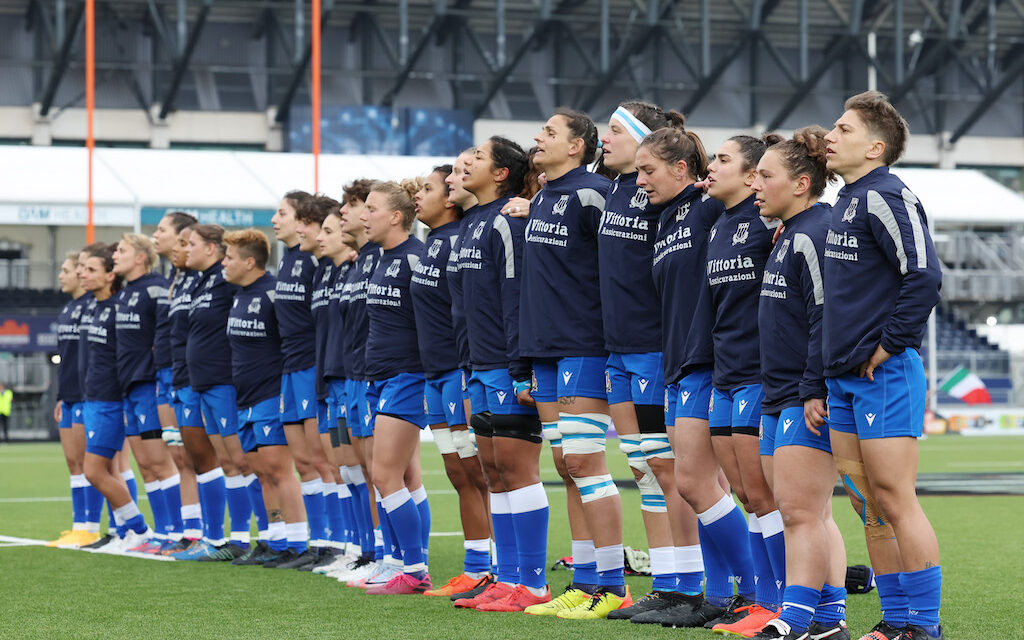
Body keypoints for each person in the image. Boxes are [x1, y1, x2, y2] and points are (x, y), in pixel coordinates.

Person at [823, 91, 944, 640]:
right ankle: (895, 621)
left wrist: (890, 344)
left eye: (844, 130)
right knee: (867, 504)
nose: (831, 136)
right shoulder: (848, 199)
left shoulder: (889, 195)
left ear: (875, 147)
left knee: (895, 497)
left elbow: (922, 275)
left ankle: (923, 625)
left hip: (883, 373)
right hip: (844, 376)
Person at [519, 108, 633, 619]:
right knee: (567, 466)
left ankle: (611, 584)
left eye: (549, 133)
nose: (538, 138)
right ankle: (585, 581)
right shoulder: (543, 195)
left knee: (586, 462)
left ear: (577, 147)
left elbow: (619, 265)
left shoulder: (593, 193)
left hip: (584, 345)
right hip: (545, 350)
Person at [747, 128, 850, 640]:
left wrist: (814, 388)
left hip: (801, 393)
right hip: (779, 390)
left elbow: (827, 317)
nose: (756, 184)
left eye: (766, 175)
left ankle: (796, 616)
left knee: (800, 512)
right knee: (809, 513)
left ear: (802, 183)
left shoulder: (815, 232)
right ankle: (829, 619)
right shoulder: (789, 232)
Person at [455, 137, 550, 613]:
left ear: (499, 174)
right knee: (493, 472)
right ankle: (507, 578)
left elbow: (516, 298)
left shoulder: (506, 223)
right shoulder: (473, 223)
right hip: (477, 364)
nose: (464, 163)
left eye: (476, 157)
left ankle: (532, 583)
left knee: (517, 470)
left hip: (504, 364)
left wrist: (520, 368)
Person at [410, 164, 493, 597]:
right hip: (434, 374)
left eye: (426, 189)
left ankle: (493, 568)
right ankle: (475, 565)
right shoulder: (431, 243)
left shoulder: (460, 240)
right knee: (458, 473)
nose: (417, 196)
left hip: (459, 371)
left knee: (479, 473)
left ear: (449, 199)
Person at [221, 229, 297, 568]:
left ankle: (296, 543)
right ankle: (272, 538)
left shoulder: (273, 294)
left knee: (278, 471)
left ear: (250, 262)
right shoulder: (238, 296)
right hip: (244, 398)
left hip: (269, 395)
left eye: (229, 258)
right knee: (259, 473)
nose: (224, 263)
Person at [180, 223, 254, 561]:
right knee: (224, 461)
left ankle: (254, 537)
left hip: (225, 381)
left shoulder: (226, 281)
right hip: (202, 383)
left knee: (240, 459)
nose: (186, 249)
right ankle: (222, 539)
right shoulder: (201, 281)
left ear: (212, 248)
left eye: (191, 243)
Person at [78, 242, 155, 552]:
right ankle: (124, 532)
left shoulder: (119, 307)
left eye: (91, 269)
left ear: (110, 275)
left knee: (94, 471)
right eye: (81, 268)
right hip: (94, 397)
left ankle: (139, 529)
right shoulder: (96, 306)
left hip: (111, 399)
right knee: (107, 469)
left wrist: (124, 398)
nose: (83, 274)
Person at [111, 233, 185, 553]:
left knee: (161, 462)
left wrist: (158, 374)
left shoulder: (156, 288)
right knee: (144, 465)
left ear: (141, 257)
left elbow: (164, 337)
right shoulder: (125, 293)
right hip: (129, 386)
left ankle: (177, 532)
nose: (116, 255)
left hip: (149, 384)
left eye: (122, 250)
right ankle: (161, 532)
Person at [271, 190, 332, 567]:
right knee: (304, 462)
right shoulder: (289, 260)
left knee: (323, 461)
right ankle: (315, 542)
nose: (275, 219)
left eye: (283, 213)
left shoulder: (314, 261)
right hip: (289, 368)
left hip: (311, 366)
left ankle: (335, 545)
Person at [334, 180, 387, 587]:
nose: (346, 215)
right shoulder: (356, 262)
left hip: (371, 376)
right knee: (353, 468)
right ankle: (364, 550)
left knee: (380, 471)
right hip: (345, 380)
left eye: (353, 206)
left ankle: (389, 554)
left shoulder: (378, 258)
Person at [315, 205, 366, 577]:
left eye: (329, 230)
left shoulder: (359, 266)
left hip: (355, 378)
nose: (321, 237)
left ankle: (378, 554)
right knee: (347, 471)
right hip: (334, 380)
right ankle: (357, 548)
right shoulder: (331, 273)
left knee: (367, 472)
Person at [151, 212, 202, 551]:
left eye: (162, 230)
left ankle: (203, 532)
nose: (156, 236)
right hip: (169, 374)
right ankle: (188, 531)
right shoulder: (175, 278)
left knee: (194, 457)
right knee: (179, 457)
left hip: (190, 376)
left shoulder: (200, 278)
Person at [46, 252, 102, 548]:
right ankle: (78, 525)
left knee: (87, 461)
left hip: (87, 396)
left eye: (66, 270)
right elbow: (64, 358)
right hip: (67, 396)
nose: (63, 275)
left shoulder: (92, 307)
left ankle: (90, 527)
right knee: (73, 462)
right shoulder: (68, 308)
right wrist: (59, 396)